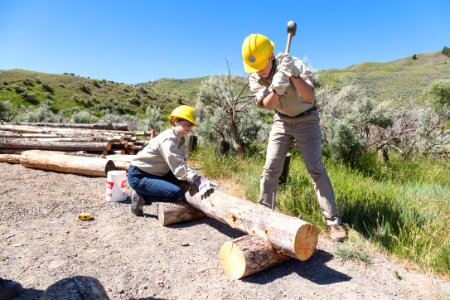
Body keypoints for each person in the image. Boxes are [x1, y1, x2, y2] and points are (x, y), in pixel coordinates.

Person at [241, 33, 346, 242]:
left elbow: (309, 97)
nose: (259, 70)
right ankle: (263, 217)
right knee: (271, 168)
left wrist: (294, 75)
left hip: (307, 120)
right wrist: (276, 88)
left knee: (316, 170)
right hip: (281, 121)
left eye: (263, 64)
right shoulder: (254, 74)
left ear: (271, 55)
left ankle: (334, 223)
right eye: (256, 67)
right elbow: (268, 105)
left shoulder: (292, 63)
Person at [128, 105, 212, 216]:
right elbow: (177, 166)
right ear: (176, 121)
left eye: (191, 124)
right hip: (139, 175)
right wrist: (197, 178)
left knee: (185, 182)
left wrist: (192, 178)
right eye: (186, 123)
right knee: (175, 192)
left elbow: (180, 164)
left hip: (156, 172)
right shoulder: (168, 140)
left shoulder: (179, 138)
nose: (189, 127)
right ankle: (142, 197)